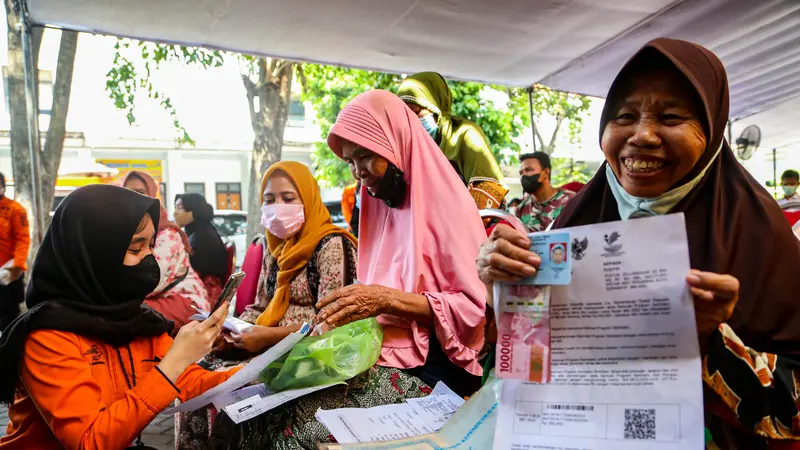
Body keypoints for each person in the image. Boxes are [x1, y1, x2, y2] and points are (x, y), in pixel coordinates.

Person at [477, 38, 800, 449]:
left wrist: (710, 340)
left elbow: (793, 411)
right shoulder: (577, 217)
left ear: (713, 127)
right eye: (625, 116)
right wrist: (503, 293)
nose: (642, 135)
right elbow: (529, 360)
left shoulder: (756, 231)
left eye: (670, 117)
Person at [212, 90, 488, 449]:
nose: (358, 172)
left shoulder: (449, 210)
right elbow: (367, 306)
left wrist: (388, 301)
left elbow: (475, 311)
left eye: (366, 157)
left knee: (299, 431)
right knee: (249, 412)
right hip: (378, 359)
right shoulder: (380, 209)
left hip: (431, 373)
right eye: (349, 161)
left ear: (396, 146)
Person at [0, 184, 238, 449]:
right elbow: (90, 442)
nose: (151, 259)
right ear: (94, 254)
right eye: (136, 249)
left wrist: (261, 373)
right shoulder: (47, 337)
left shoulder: (138, 321)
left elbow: (189, 381)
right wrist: (176, 359)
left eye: (151, 246)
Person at [177, 161, 358, 449]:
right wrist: (229, 332)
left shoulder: (331, 244)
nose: (277, 207)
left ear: (308, 198)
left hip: (307, 355)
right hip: (262, 346)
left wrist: (263, 337)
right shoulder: (276, 248)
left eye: (288, 198)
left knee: (236, 389)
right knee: (194, 371)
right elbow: (259, 306)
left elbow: (332, 323)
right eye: (269, 199)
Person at [122, 171, 210, 328]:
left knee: (125, 316)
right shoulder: (125, 230)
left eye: (141, 193)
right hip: (150, 297)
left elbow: (152, 280)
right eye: (127, 193)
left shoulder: (167, 234)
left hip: (183, 299)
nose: (134, 199)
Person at [398, 72, 503, 183]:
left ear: (436, 107)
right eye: (405, 114)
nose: (411, 119)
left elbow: (488, 190)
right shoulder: (404, 146)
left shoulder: (465, 136)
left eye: (415, 111)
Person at [174, 193, 228, 299]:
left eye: (180, 207)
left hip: (204, 293)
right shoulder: (201, 231)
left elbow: (189, 271)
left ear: (194, 210)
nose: (175, 212)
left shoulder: (202, 237)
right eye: (175, 207)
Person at [516, 152, 575, 232]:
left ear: (546, 172)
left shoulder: (571, 201)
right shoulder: (521, 209)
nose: (523, 175)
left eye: (529, 170)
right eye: (521, 173)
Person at [0, 173, 29, 331]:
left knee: (8, 316)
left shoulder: (16, 210)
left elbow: (22, 240)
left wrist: (16, 267)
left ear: (3, 187)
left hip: (8, 273)